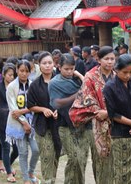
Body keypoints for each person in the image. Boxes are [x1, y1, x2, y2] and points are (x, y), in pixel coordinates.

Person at [104, 54, 131, 183]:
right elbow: (113, 114)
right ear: (116, 70)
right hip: (121, 134)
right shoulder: (109, 87)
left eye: (130, 72)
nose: (128, 75)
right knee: (123, 172)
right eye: (124, 72)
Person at [77, 46, 115, 183]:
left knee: (115, 160)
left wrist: (109, 113)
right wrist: (100, 112)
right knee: (101, 160)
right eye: (106, 59)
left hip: (115, 121)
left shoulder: (117, 75)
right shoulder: (90, 76)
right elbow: (87, 98)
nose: (109, 62)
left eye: (112, 59)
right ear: (99, 60)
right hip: (96, 123)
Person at [49, 53, 87, 184]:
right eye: (66, 69)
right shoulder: (54, 83)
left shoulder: (76, 79)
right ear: (59, 67)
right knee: (74, 157)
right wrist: (77, 94)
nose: (70, 71)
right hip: (64, 124)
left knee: (81, 160)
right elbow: (57, 103)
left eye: (72, 68)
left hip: (81, 124)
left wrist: (80, 76)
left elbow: (87, 89)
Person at [27, 52, 60, 184]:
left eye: (49, 63)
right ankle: (47, 181)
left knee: (56, 154)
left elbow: (68, 101)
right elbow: (30, 105)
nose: (47, 66)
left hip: (59, 124)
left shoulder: (60, 81)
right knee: (47, 155)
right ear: (39, 66)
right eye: (44, 63)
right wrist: (43, 109)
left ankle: (52, 180)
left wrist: (59, 110)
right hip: (42, 125)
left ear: (54, 65)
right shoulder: (35, 85)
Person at [6, 60, 38, 184]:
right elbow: (13, 109)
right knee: (23, 152)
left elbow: (36, 104)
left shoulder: (33, 85)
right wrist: (24, 122)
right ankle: (26, 179)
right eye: (21, 71)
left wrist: (24, 111)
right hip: (17, 124)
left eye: (26, 71)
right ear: (17, 70)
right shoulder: (11, 87)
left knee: (36, 150)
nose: (24, 74)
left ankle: (31, 171)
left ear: (30, 72)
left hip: (33, 123)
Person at [0, 63, 19, 183]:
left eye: (13, 75)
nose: (11, 77)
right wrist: (5, 110)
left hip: (15, 121)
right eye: (9, 75)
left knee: (17, 149)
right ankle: (8, 173)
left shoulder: (16, 87)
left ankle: (8, 166)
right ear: (3, 75)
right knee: (6, 147)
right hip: (1, 121)